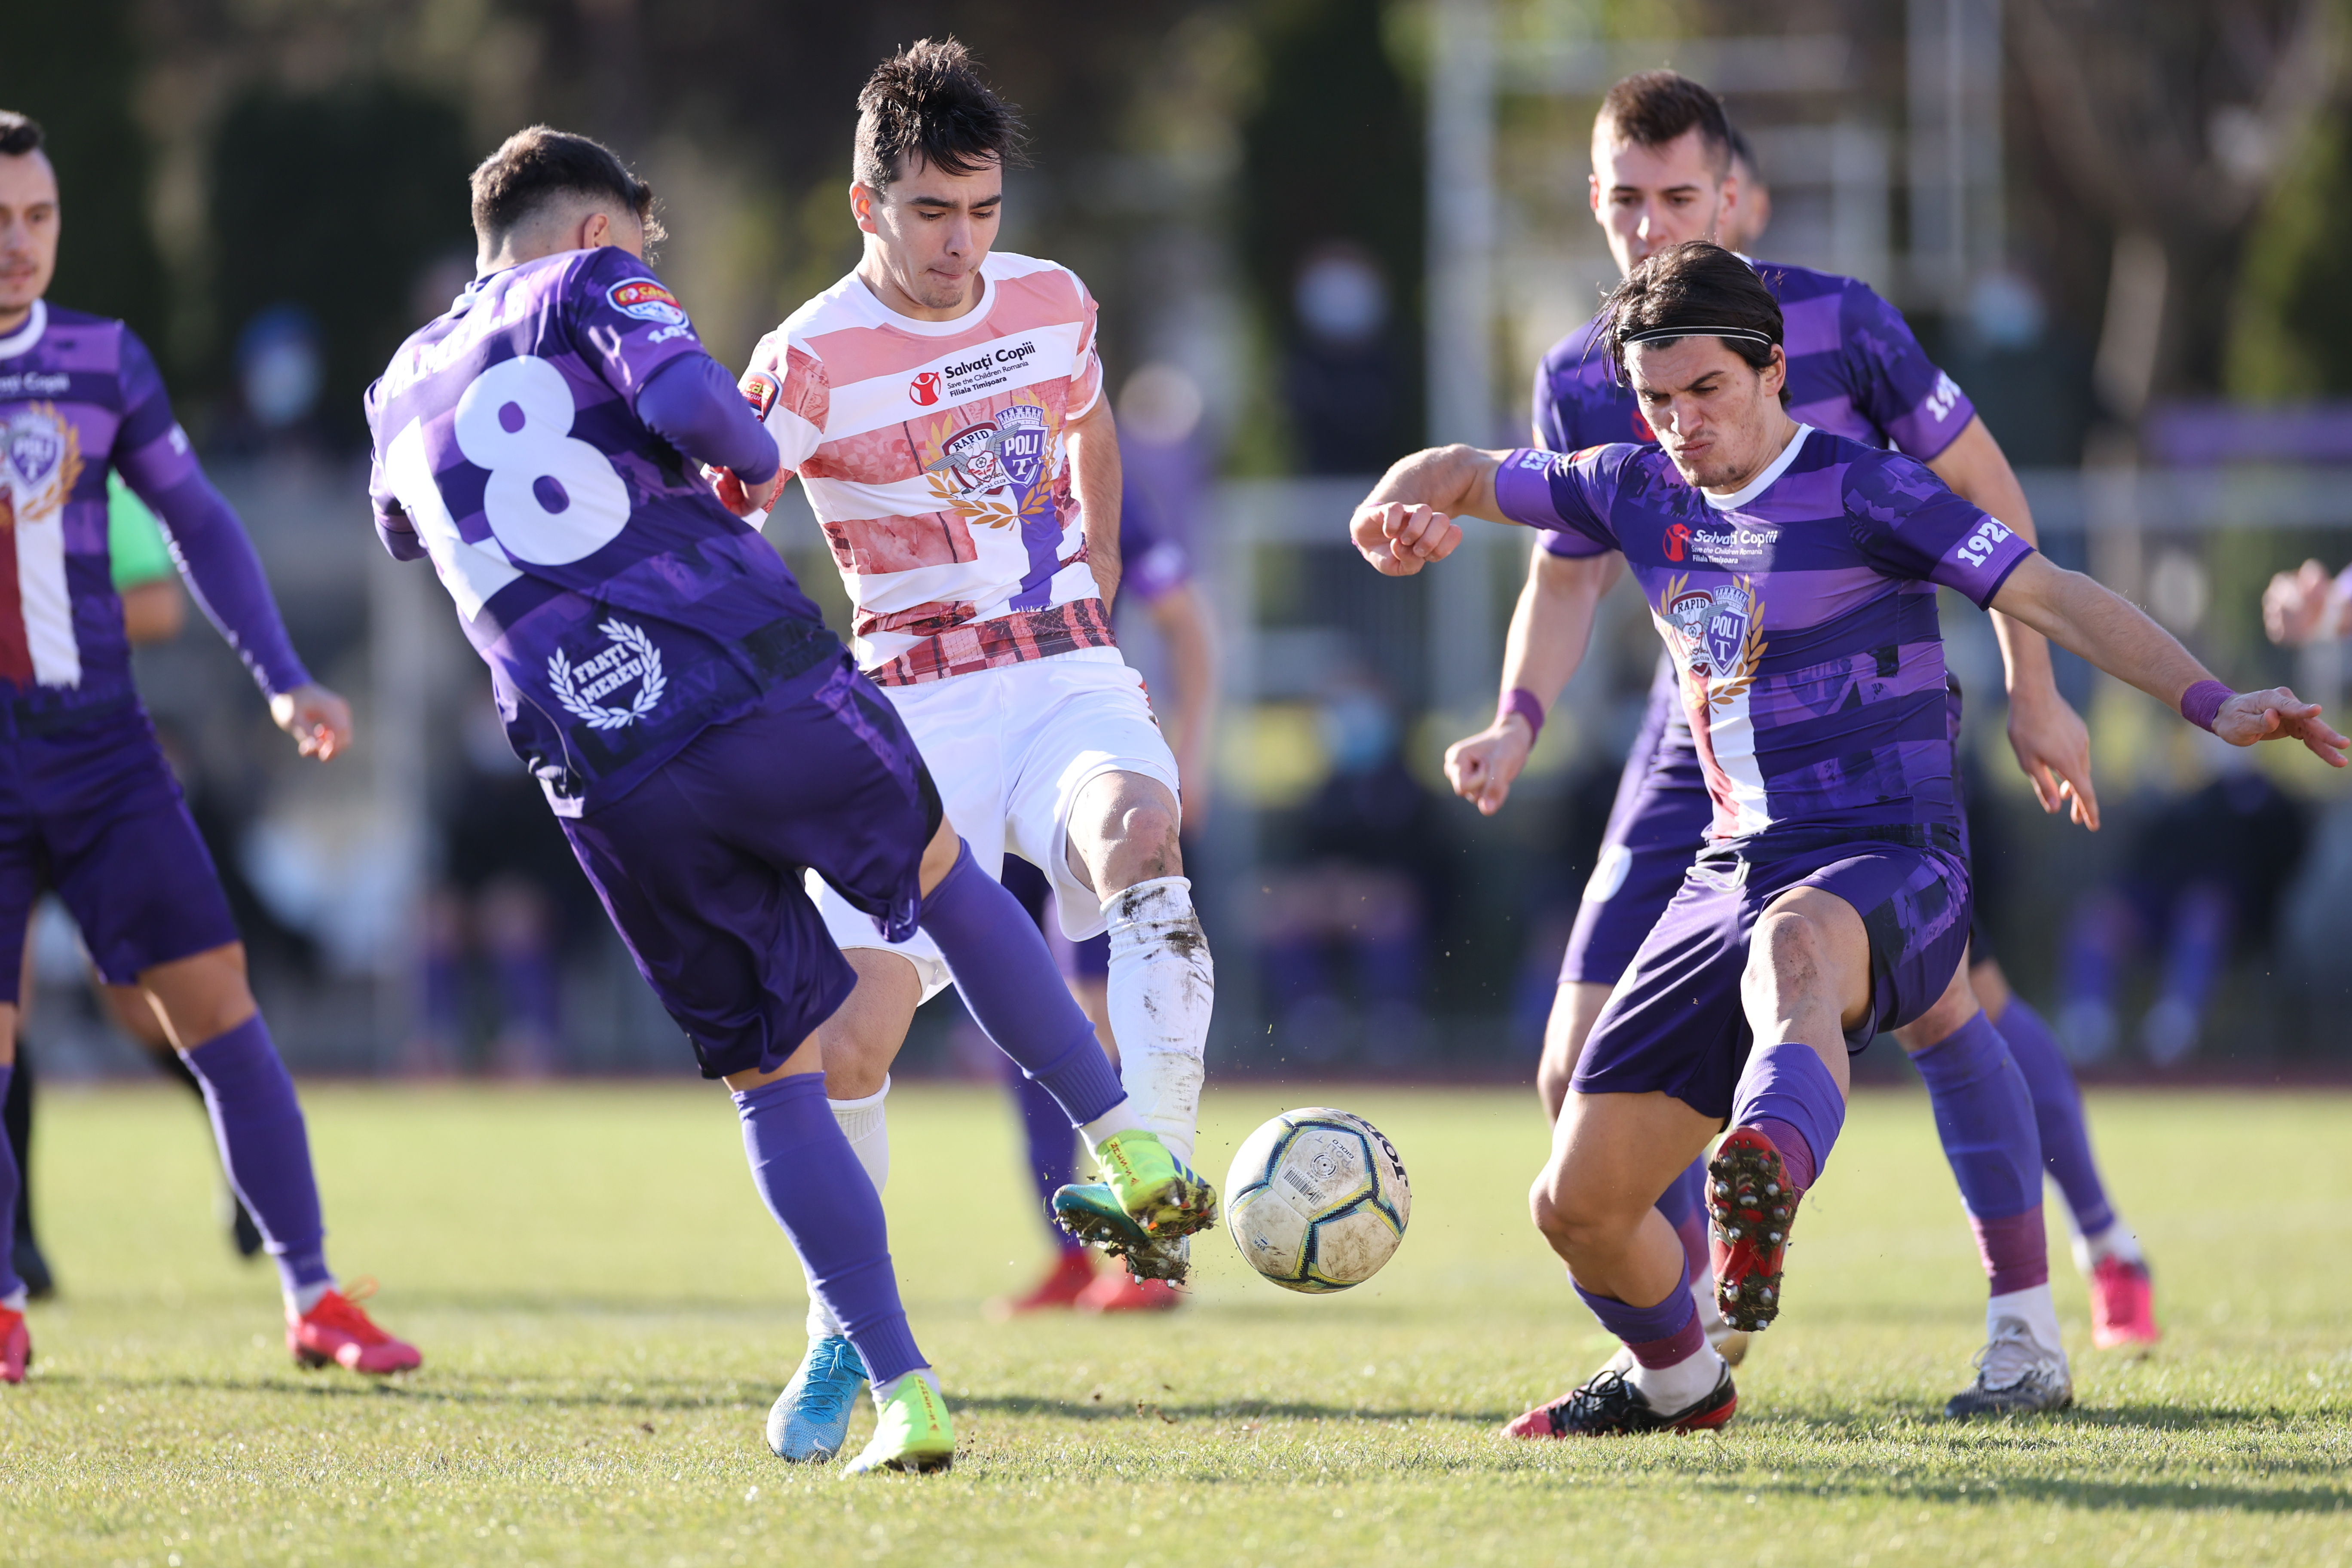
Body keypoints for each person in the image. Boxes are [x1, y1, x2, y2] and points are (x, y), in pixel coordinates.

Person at [1348, 238, 2344, 1437]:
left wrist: (2213, 701)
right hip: (1728, 869)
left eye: (1705, 390)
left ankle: (1761, 1182)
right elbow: (1456, 471)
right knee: (1577, 1205)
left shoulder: (1868, 489)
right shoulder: (1631, 488)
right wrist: (1390, 508)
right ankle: (1679, 1384)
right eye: (1656, 400)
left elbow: (2055, 593)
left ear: (1774, 372)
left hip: (1896, 855)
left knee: (1798, 951)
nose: (1679, 423)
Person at [364, 124, 1202, 1473]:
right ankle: (1129, 1146)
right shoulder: (593, 287)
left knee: (775, 1080)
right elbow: (715, 423)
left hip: (605, 765)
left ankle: (904, 1387)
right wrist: (743, 439)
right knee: (941, 877)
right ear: (599, 234)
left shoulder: (393, 390)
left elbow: (406, 532)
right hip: (749, 673)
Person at [1441, 72, 2157, 1404]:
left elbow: (1982, 498)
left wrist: (2034, 687)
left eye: (1679, 198)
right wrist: (1515, 718)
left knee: (1953, 1005)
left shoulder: (1843, 322)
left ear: (1738, 198)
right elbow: (1565, 559)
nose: (1652, 228)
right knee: (1568, 1071)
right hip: (1696, 741)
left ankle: (2078, 1268)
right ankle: (1682, 1341)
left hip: (1862, 727)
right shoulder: (1582, 372)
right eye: (1625, 202)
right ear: (1595, 202)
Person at [731, 40, 1218, 1445]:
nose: (963, 242)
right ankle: (841, 1334)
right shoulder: (807, 359)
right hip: (909, 718)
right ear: (864, 205)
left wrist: (1104, 553)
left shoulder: (1053, 301)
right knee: (839, 1039)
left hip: (1061, 678)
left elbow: (1089, 418)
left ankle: (1156, 1176)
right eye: (932, 211)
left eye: (983, 208)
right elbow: (727, 533)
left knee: (1140, 832)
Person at [0, 110, 416, 1385]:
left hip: (110, 753)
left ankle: (311, 1295)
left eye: (38, 218)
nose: (20, 245)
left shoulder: (104, 361)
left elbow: (199, 525)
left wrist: (285, 677)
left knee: (222, 1018)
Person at [7, 478, 268, 1300]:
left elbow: (158, 605)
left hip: (87, 772)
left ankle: (250, 1157)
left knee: (140, 998)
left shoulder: (79, 444)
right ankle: (22, 1248)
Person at [993, 470, 1219, 1317]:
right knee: (1011, 1018)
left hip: (1075, 769)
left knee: (1098, 1012)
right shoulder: (934, 460)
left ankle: (1146, 1246)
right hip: (979, 769)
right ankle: (1066, 1252)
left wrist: (1189, 753)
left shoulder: (1092, 478)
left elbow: (1187, 623)